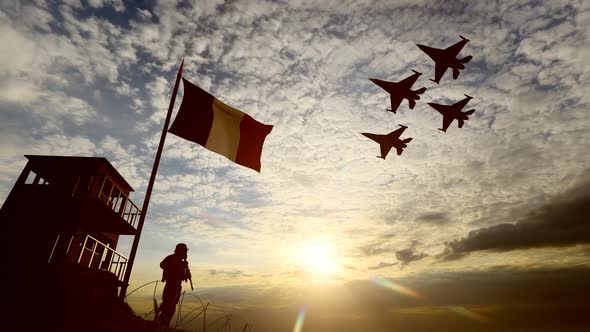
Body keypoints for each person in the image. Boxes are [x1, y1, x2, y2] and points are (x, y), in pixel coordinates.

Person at [156, 243, 192, 326]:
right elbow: (162, 265)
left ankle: (164, 323)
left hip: (177, 286)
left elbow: (182, 275)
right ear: (179, 250)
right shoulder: (171, 258)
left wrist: (187, 274)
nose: (185, 253)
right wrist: (177, 265)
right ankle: (162, 322)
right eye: (184, 251)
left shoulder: (182, 262)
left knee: (172, 306)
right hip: (170, 285)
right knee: (168, 305)